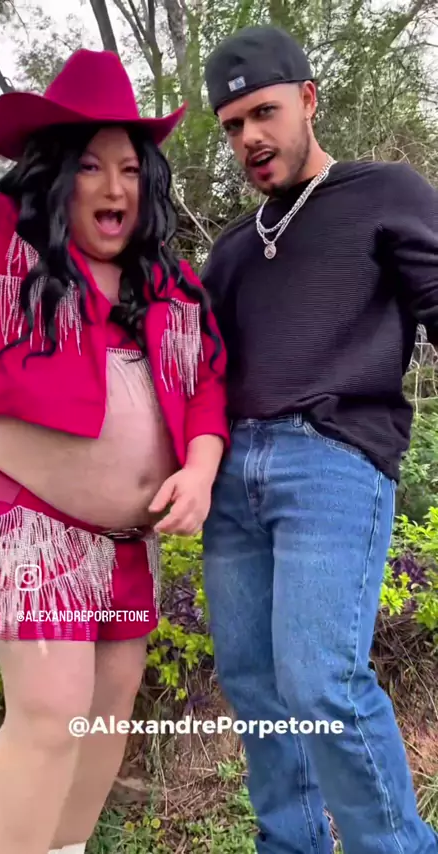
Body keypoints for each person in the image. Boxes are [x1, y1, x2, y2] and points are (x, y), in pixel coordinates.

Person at [0, 49, 229, 854]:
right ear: (53, 177)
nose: (115, 187)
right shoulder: (6, 244)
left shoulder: (173, 285)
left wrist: (201, 468)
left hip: (125, 543)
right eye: (89, 166)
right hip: (30, 527)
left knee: (104, 715)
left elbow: (208, 386)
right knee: (50, 714)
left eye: (130, 169)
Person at [200, 23, 438, 854]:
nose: (249, 138)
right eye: (233, 125)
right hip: (230, 479)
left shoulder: (385, 192)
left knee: (320, 681)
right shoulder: (232, 249)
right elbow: (195, 369)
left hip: (332, 457)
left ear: (307, 99)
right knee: (257, 687)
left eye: (263, 113)